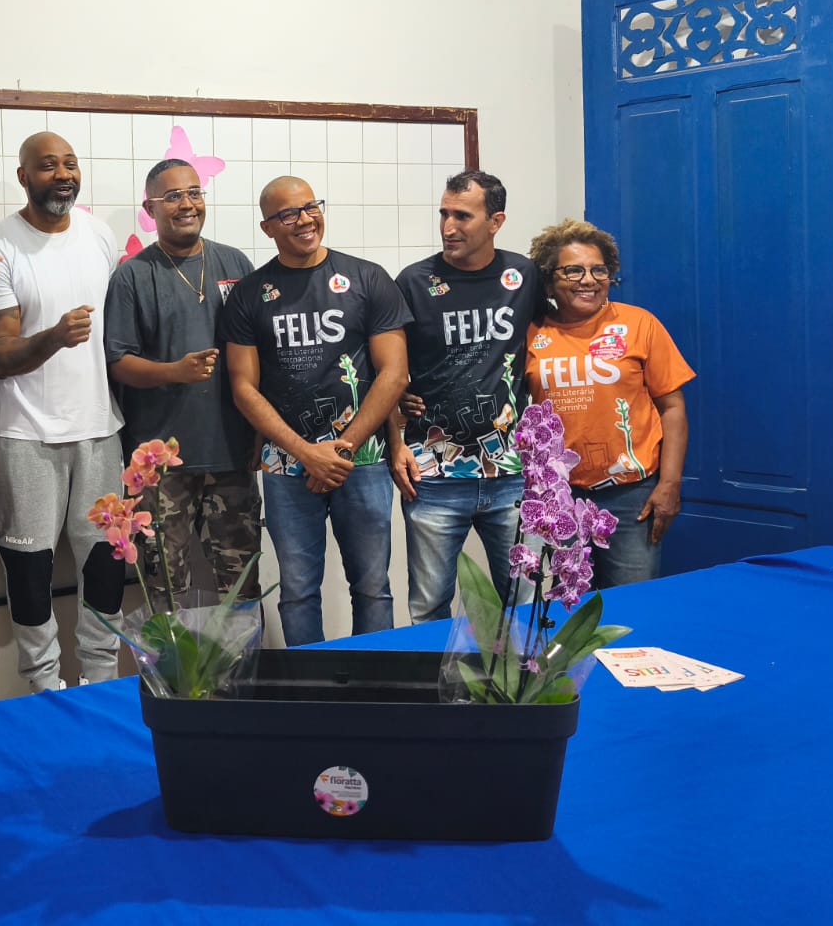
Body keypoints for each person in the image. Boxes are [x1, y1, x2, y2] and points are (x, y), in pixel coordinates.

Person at [222, 176, 411, 644]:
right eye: (288, 214)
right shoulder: (249, 294)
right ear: (267, 227)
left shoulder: (368, 278)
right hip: (288, 466)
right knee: (298, 592)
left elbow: (393, 374)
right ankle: (309, 684)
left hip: (361, 461)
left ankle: (372, 678)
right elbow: (243, 388)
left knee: (373, 589)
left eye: (311, 207)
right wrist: (306, 453)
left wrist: (342, 450)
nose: (305, 219)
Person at [0, 131, 125, 692]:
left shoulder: (99, 235)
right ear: (23, 177)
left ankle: (101, 683)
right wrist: (54, 337)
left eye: (70, 164)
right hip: (25, 437)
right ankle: (43, 690)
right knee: (29, 572)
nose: (62, 174)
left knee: (106, 567)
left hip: (101, 432)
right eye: (47, 166)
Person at [389, 170, 545, 622]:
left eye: (462, 216)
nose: (448, 227)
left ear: (496, 221)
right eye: (444, 214)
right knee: (428, 606)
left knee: (526, 602)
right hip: (432, 473)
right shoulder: (414, 281)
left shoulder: (523, 275)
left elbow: (556, 333)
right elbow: (387, 370)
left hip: (512, 472)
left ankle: (520, 670)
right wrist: (396, 434)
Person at [104, 158, 260, 607]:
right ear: (150, 209)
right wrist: (176, 371)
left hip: (231, 454)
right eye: (172, 196)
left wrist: (259, 435)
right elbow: (118, 362)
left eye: (194, 192)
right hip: (159, 465)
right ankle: (173, 661)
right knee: (164, 593)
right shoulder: (133, 275)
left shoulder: (235, 263)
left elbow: (258, 352)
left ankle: (240, 659)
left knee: (242, 588)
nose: (187, 204)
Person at [526, 218, 693, 587]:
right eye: (573, 270)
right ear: (549, 280)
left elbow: (673, 408)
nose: (588, 280)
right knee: (569, 603)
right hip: (558, 495)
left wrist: (670, 484)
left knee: (632, 606)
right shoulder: (532, 332)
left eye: (598, 270)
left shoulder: (639, 324)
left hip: (631, 496)